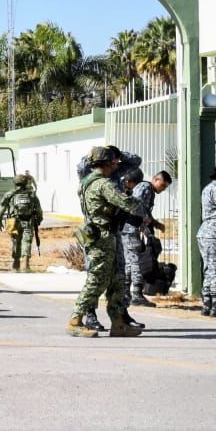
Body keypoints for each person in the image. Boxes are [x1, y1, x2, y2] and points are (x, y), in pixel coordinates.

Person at [67, 145, 143, 339]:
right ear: (106, 163)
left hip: (107, 236)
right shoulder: (103, 184)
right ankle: (75, 320)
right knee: (97, 280)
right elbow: (126, 203)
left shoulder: (87, 182)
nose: (117, 164)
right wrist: (138, 203)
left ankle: (118, 323)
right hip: (103, 238)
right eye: (113, 161)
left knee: (117, 280)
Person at [122, 169, 170, 308]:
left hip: (130, 228)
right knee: (137, 260)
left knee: (130, 261)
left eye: (165, 187)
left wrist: (155, 224)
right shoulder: (146, 187)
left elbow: (144, 211)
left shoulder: (148, 190)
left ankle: (126, 293)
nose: (163, 189)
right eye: (162, 185)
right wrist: (146, 218)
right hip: (131, 228)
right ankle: (137, 294)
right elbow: (134, 206)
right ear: (155, 179)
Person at [196, 164, 216, 317]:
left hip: (206, 232)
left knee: (209, 269)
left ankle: (207, 304)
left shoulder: (208, 188)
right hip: (214, 233)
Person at [0, 173, 43, 273]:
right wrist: (39, 220)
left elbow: (1, 208)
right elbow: (39, 210)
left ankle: (15, 264)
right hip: (28, 221)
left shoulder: (9, 194)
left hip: (13, 222)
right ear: (25, 183)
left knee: (15, 242)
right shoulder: (31, 195)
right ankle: (25, 265)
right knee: (27, 241)